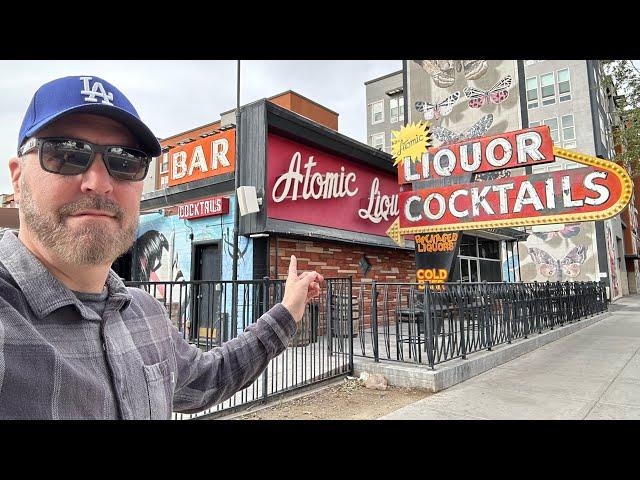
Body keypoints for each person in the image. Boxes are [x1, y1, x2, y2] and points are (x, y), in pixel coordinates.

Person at [0, 75, 324, 419]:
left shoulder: (146, 314)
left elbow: (210, 376)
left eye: (124, 161)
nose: (99, 183)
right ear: (17, 179)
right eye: (66, 154)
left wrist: (288, 310)